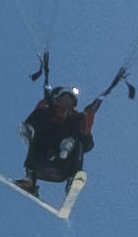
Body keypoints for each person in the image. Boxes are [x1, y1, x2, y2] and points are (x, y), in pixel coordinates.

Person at [20, 65, 95, 193]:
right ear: (57, 99)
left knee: (77, 143)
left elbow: (87, 145)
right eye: (64, 98)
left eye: (70, 99)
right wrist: (28, 130)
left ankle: (72, 181)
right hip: (40, 162)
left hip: (63, 167)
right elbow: (33, 121)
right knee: (36, 135)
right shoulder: (46, 113)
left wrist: (86, 127)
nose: (66, 101)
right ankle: (30, 179)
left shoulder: (77, 119)